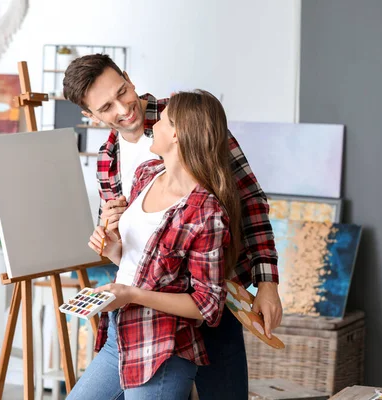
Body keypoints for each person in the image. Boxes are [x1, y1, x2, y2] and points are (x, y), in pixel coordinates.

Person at [63, 54, 282, 398]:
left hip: (211, 293)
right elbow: (135, 248)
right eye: (106, 107)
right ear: (90, 116)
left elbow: (251, 202)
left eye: (123, 91)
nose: (123, 109)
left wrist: (267, 282)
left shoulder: (188, 118)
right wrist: (109, 235)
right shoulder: (109, 161)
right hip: (144, 318)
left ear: (129, 78)